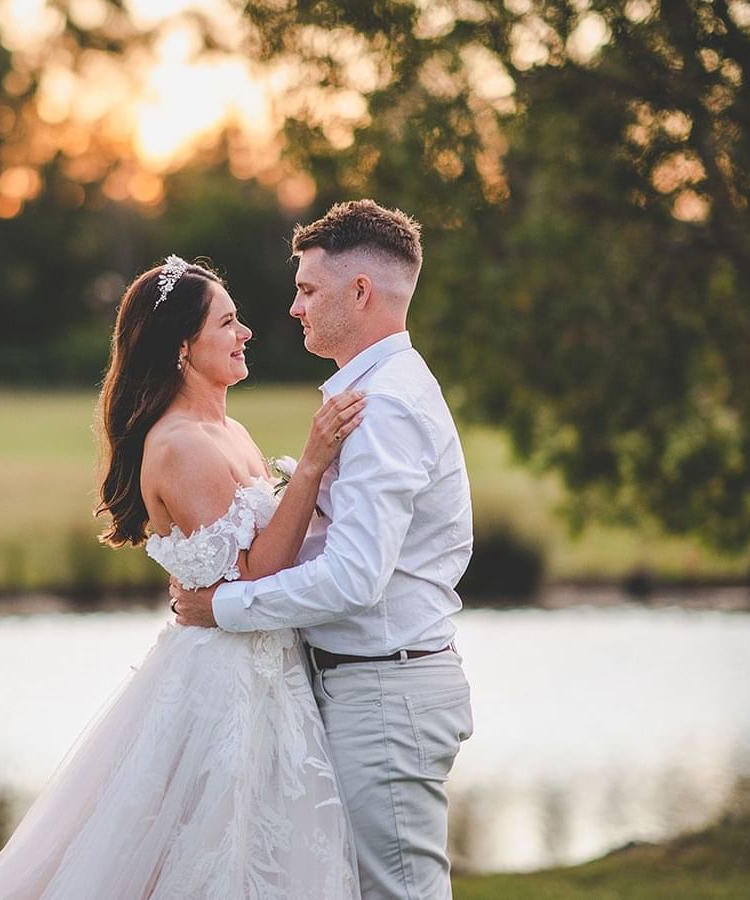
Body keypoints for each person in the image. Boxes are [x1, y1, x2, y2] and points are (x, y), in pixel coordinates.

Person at [0, 254, 366, 898]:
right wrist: (311, 466)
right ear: (182, 347)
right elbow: (257, 571)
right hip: (225, 684)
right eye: (228, 323)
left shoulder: (231, 429)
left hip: (269, 668)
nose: (246, 333)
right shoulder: (180, 446)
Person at [171, 199, 477, 900]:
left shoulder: (386, 404)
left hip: (385, 691)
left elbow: (356, 578)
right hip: (366, 683)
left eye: (308, 289)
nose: (294, 308)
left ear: (361, 292)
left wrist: (226, 606)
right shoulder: (373, 392)